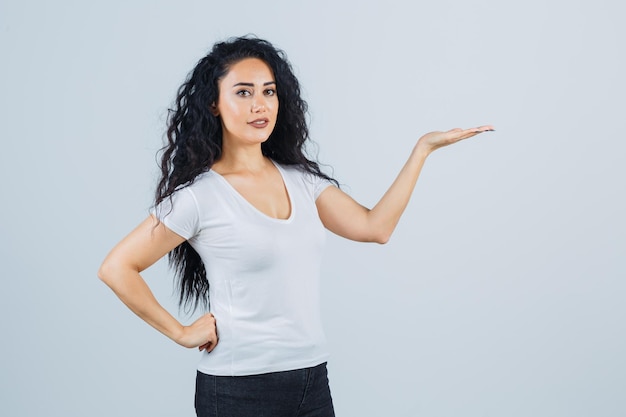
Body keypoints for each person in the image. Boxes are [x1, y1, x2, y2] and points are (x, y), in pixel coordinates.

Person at [98, 35, 494, 417]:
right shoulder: (200, 196)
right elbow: (117, 268)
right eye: (243, 92)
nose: (260, 105)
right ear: (214, 105)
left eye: (268, 91)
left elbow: (376, 227)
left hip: (311, 380)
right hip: (238, 389)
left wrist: (421, 150)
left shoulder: (301, 181)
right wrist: (181, 332)